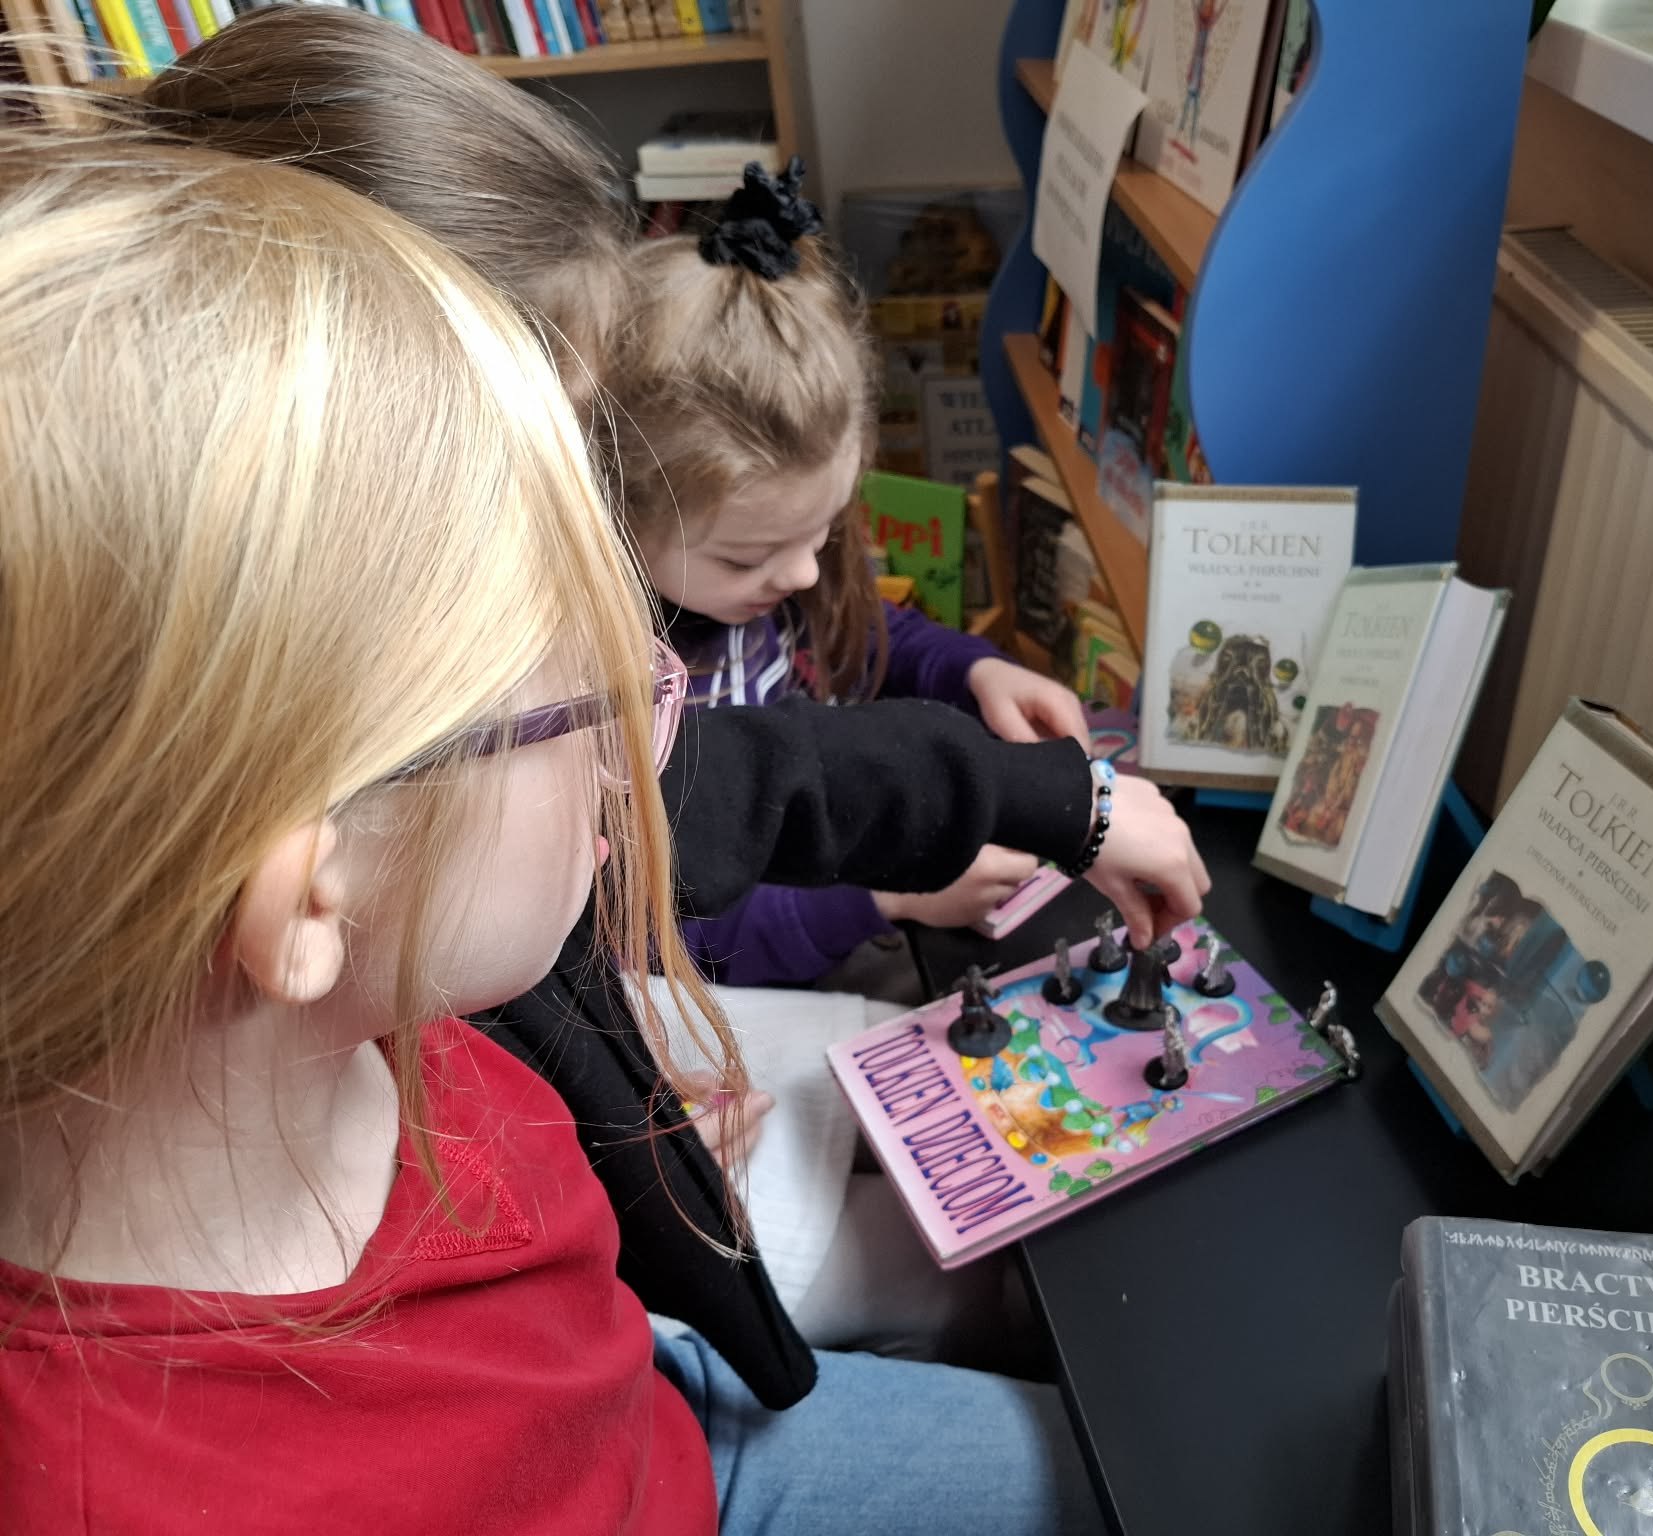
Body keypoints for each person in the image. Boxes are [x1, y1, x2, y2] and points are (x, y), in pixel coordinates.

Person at [0, 119, 1099, 1536]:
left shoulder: (425, 1015)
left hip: (658, 1419)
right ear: (310, 896)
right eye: (589, 697)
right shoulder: (138, 1492)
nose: (655, 746)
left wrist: (636, 1119)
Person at [138, 5, 1202, 1403]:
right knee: (969, 1287)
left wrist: (628, 1059)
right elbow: (652, 858)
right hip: (631, 1167)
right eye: (552, 471)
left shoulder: (432, 724)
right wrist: (638, 1087)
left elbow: (723, 792)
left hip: (635, 1086)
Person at [612, 160, 1093, 989]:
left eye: (826, 529)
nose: (803, 573)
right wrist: (882, 900)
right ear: (617, 512)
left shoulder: (772, 568)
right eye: (748, 558)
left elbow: (863, 638)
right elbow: (659, 932)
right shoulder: (606, 690)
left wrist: (975, 670)